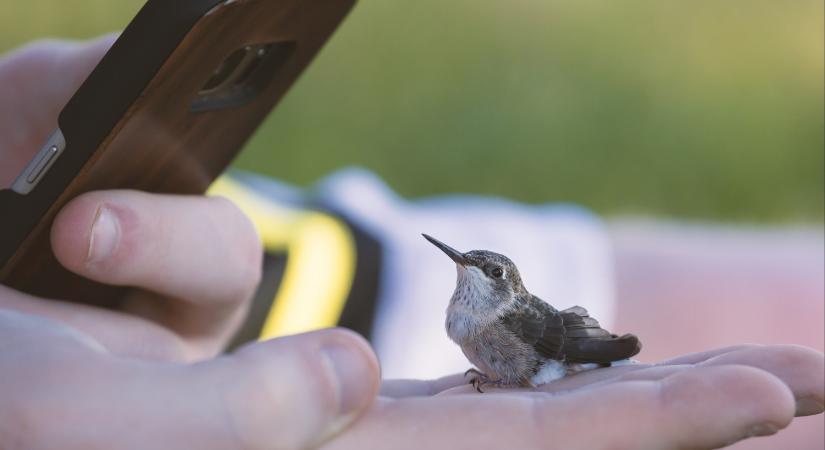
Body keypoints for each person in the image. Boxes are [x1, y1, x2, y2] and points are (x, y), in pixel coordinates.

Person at [0, 35, 822, 450]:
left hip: (309, 272)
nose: (464, 271)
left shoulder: (515, 318)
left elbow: (557, 345)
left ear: (499, 286)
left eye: (479, 268)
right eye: (466, 264)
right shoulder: (465, 319)